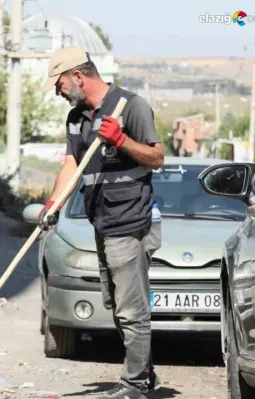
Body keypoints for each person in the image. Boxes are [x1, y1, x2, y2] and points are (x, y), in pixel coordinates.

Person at [38, 46, 164, 399]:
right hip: (101, 222)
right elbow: (70, 167)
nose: (57, 91)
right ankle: (145, 374)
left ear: (78, 76)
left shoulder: (131, 106)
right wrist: (53, 204)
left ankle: (135, 385)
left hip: (130, 221)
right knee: (115, 304)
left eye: (60, 83)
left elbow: (157, 157)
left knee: (130, 309)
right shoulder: (77, 118)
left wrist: (121, 140)